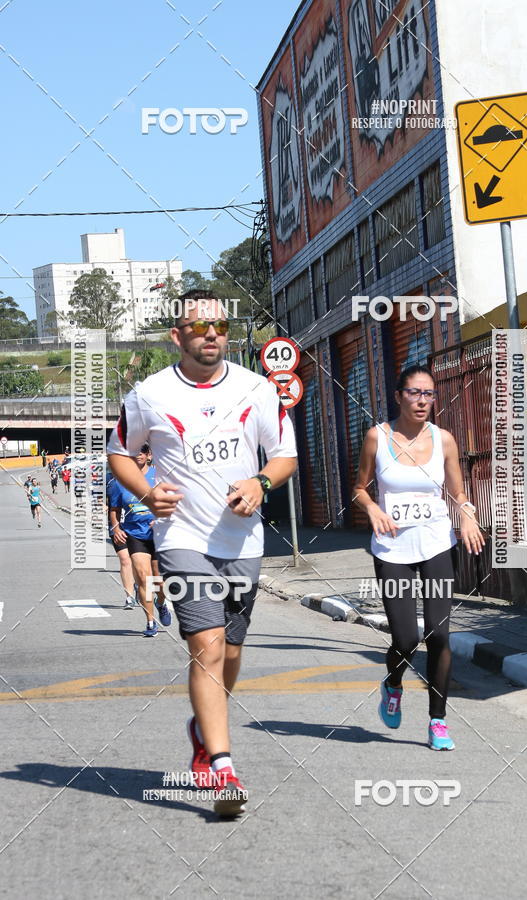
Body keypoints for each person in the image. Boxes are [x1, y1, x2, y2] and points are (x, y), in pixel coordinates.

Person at [107, 289, 297, 816]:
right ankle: (223, 768)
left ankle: (201, 729)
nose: (211, 334)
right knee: (207, 646)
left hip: (243, 541)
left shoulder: (256, 389)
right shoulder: (149, 394)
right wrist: (147, 492)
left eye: (219, 326)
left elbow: (284, 455)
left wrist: (260, 482)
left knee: (231, 651)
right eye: (198, 326)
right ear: (178, 336)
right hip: (182, 538)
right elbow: (120, 453)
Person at [354, 364, 485, 751]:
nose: (423, 400)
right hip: (392, 548)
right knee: (407, 638)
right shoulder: (377, 437)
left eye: (429, 393)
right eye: (414, 392)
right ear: (399, 396)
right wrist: (372, 508)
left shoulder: (444, 440)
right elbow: (359, 488)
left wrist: (467, 515)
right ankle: (393, 684)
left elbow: (458, 493)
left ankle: (437, 721)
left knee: (439, 634)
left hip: (436, 544)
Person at [107, 445, 170, 633]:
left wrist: (162, 519)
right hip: (135, 534)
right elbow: (114, 509)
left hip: (158, 534)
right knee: (143, 577)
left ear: (149, 455)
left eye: (141, 452)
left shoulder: (160, 477)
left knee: (159, 581)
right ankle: (150, 622)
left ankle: (161, 603)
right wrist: (116, 527)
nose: (137, 456)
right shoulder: (121, 481)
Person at [106, 468, 138, 610]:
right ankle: (129, 597)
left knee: (138, 561)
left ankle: (138, 584)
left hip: (136, 526)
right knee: (125, 560)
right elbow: (101, 499)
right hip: (117, 526)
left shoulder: (139, 480)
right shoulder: (110, 482)